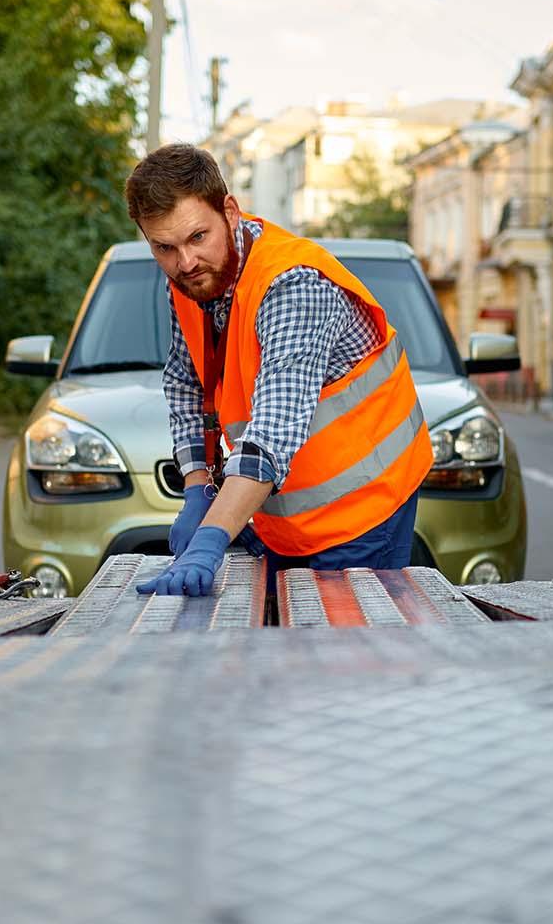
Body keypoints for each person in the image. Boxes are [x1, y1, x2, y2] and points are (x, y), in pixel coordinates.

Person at [128, 143, 432, 597]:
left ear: (230, 212)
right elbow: (188, 384)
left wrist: (212, 537)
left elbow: (272, 429)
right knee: (279, 654)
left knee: (344, 658)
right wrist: (197, 489)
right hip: (282, 515)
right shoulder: (191, 279)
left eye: (197, 237)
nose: (184, 262)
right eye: (164, 247)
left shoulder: (293, 285)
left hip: (364, 510)